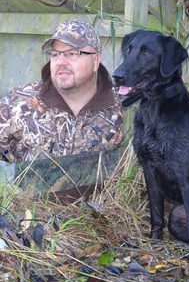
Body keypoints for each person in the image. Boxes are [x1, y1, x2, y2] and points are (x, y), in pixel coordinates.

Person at [0, 19, 122, 200]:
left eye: (72, 53)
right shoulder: (17, 103)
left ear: (96, 60)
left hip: (100, 223)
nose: (61, 62)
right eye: (55, 54)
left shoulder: (123, 110)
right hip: (27, 222)